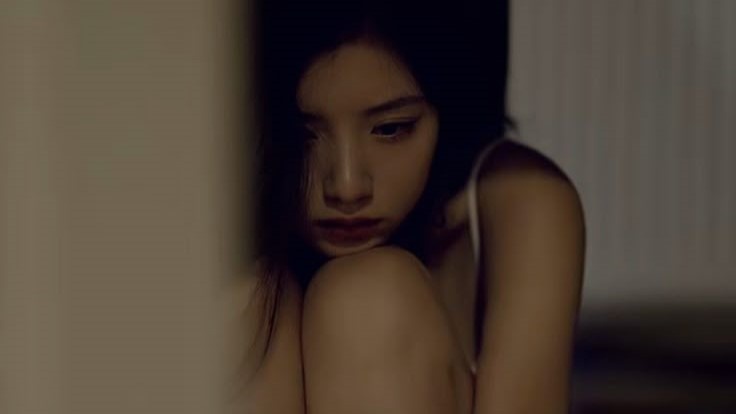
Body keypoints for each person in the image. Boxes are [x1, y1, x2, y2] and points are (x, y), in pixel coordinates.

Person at [231, 0, 585, 412]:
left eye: (390, 129)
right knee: (252, 296)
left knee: (365, 301)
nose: (347, 187)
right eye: (302, 136)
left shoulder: (518, 201)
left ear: (444, 110)